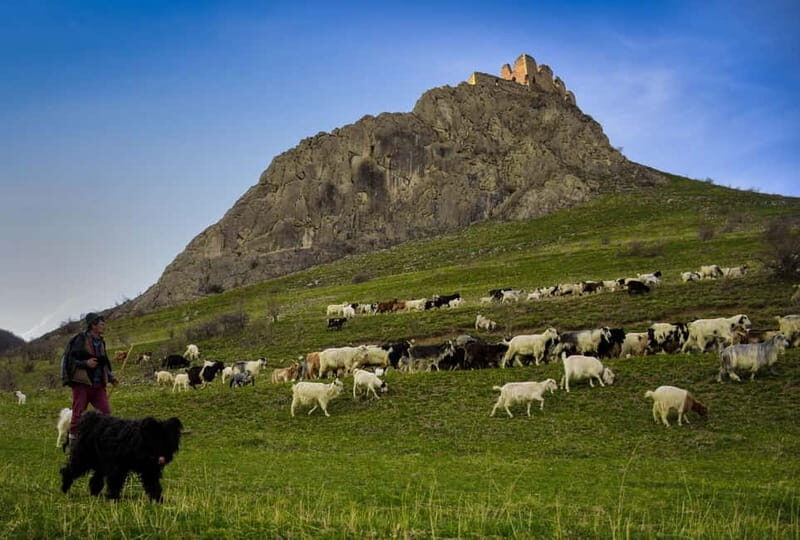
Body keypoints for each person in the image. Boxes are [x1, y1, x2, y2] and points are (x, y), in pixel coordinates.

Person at [60, 312, 119, 446]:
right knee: (78, 413)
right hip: (82, 384)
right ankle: (73, 441)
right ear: (93, 325)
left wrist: (111, 378)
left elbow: (103, 362)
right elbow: (71, 359)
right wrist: (85, 363)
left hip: (98, 385)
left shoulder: (101, 341)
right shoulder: (80, 340)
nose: (103, 326)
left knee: (105, 413)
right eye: (101, 324)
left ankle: (104, 441)